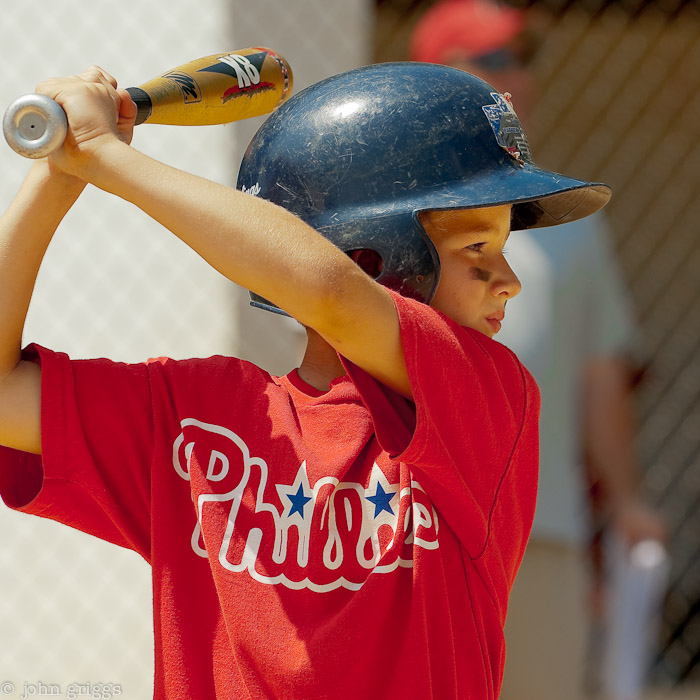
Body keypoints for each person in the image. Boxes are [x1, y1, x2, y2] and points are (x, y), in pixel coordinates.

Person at [0, 60, 609, 699]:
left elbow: (330, 294)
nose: (507, 279)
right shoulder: (194, 417)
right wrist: (57, 171)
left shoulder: (486, 399)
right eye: (476, 250)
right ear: (372, 255)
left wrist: (104, 158)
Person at [410, 2, 667, 699]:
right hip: (412, 526)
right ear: (436, 76)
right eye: (489, 61)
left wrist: (628, 502)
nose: (514, 77)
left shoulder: (569, 217)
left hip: (542, 529)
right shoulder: (393, 207)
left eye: (519, 59)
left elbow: (600, 375)